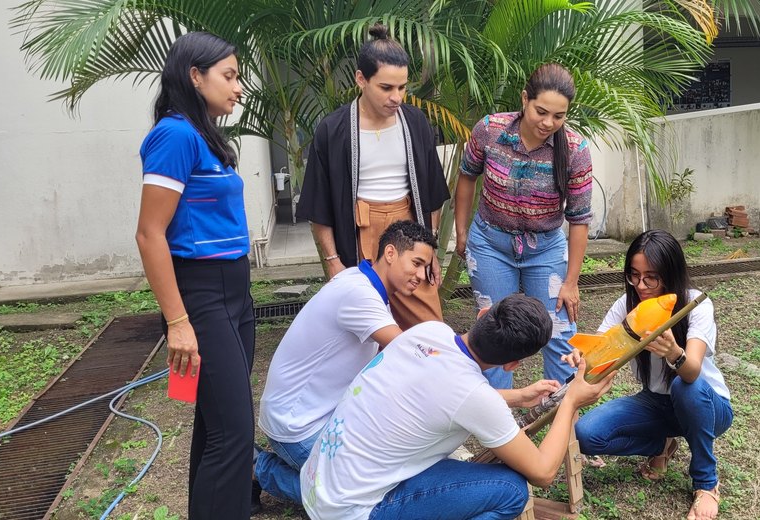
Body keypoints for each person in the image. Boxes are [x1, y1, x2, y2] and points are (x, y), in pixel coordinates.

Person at [299, 294, 615, 520]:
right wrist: (571, 400)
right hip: (351, 511)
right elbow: (543, 472)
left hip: (317, 482)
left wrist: (517, 397)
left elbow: (440, 396)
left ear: (483, 314)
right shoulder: (474, 396)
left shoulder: (429, 332)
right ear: (512, 364)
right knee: (511, 490)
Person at [135, 32, 256, 519]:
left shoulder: (204, 134)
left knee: (217, 427)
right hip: (202, 294)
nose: (239, 87)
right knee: (233, 434)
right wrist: (178, 321)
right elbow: (149, 234)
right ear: (194, 75)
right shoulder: (176, 134)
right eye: (229, 76)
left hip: (235, 291)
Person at [254, 220, 436, 504]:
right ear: (390, 253)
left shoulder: (366, 284)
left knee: (386, 467)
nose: (422, 275)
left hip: (324, 415)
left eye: (425, 267)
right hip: (296, 425)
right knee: (360, 496)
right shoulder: (359, 295)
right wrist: (470, 344)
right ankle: (257, 467)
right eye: (416, 263)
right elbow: (409, 350)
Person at [564, 230, 732, 520]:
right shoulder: (626, 306)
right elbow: (601, 347)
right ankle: (663, 445)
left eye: (651, 277)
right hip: (655, 402)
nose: (641, 285)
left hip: (707, 404)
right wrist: (582, 358)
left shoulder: (695, 304)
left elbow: (691, 371)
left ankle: (706, 482)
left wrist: (673, 353)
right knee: (586, 434)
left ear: (670, 273)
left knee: (684, 386)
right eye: (634, 275)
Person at [295, 23, 451, 331]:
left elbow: (432, 193)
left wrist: (429, 249)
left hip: (410, 232)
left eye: (402, 87)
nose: (397, 97)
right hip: (360, 234)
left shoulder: (415, 123)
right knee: (365, 333)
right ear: (361, 79)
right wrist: (333, 262)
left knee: (427, 328)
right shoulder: (333, 129)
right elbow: (319, 204)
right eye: (386, 88)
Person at [454, 63, 593, 389]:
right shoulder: (490, 131)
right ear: (525, 99)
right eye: (541, 111)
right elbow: (466, 176)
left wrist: (571, 281)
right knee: (494, 332)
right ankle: (498, 421)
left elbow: (579, 219)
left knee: (560, 332)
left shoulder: (575, 150)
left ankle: (563, 417)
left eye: (558, 116)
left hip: (545, 248)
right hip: (490, 244)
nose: (548, 123)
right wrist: (461, 232)